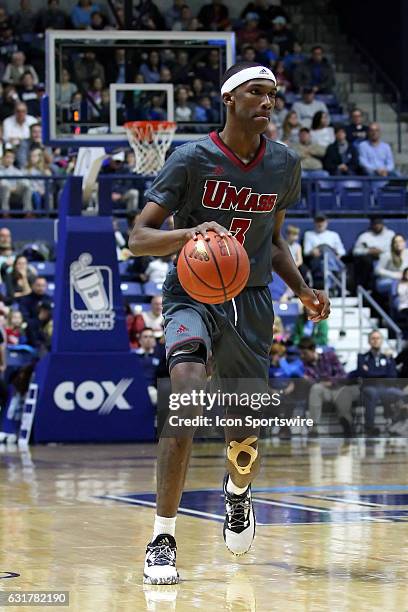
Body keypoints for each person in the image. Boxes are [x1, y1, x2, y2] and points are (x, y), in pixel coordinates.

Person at [128, 60, 330, 584]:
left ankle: (238, 495)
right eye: (257, 93)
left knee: (244, 435)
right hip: (189, 295)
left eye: (273, 95)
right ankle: (162, 537)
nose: (268, 102)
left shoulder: (284, 163)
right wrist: (192, 234)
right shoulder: (190, 158)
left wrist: (304, 292)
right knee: (187, 398)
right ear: (229, 99)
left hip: (253, 301)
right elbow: (139, 237)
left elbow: (276, 239)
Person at [299, 336, 358, 437]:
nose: (302, 356)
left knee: (343, 395)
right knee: (316, 388)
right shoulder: (304, 365)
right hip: (324, 391)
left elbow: (342, 375)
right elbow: (312, 382)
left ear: (313, 350)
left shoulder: (329, 356)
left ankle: (347, 424)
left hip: (339, 387)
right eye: (301, 353)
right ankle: (314, 428)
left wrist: (331, 382)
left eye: (305, 353)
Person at [356, 330, 405, 436]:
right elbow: (364, 375)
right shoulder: (362, 357)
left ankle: (396, 425)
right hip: (369, 387)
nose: (375, 340)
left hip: (385, 387)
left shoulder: (388, 357)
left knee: (400, 393)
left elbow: (393, 376)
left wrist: (371, 372)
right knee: (372, 393)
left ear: (382, 340)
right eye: (373, 338)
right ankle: (370, 427)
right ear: (369, 341)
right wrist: (383, 373)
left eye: (378, 338)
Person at [352, 217, 395, 291]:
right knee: (364, 260)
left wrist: (380, 251)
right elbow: (355, 251)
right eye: (375, 224)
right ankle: (365, 288)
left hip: (386, 259)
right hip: (369, 261)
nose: (377, 226)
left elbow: (395, 248)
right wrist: (368, 251)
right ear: (371, 225)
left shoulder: (390, 234)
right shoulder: (364, 236)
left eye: (379, 224)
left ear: (382, 224)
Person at [303, 214, 345, 288]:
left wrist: (337, 255)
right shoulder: (309, 234)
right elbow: (306, 251)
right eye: (318, 222)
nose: (320, 224)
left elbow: (342, 251)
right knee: (324, 259)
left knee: (327, 258)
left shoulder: (334, 235)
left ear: (326, 222)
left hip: (332, 259)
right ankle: (332, 285)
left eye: (322, 221)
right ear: (314, 223)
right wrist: (312, 251)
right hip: (316, 260)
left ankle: (330, 287)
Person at [0, 149, 33, 213]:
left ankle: (28, 212)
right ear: (3, 158)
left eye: (12, 158)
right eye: (7, 157)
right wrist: (10, 188)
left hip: (15, 191)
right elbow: (2, 183)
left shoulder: (16, 171)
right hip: (2, 191)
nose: (9, 160)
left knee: (27, 187)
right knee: (5, 187)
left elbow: (25, 182)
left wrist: (16, 187)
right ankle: (5, 212)